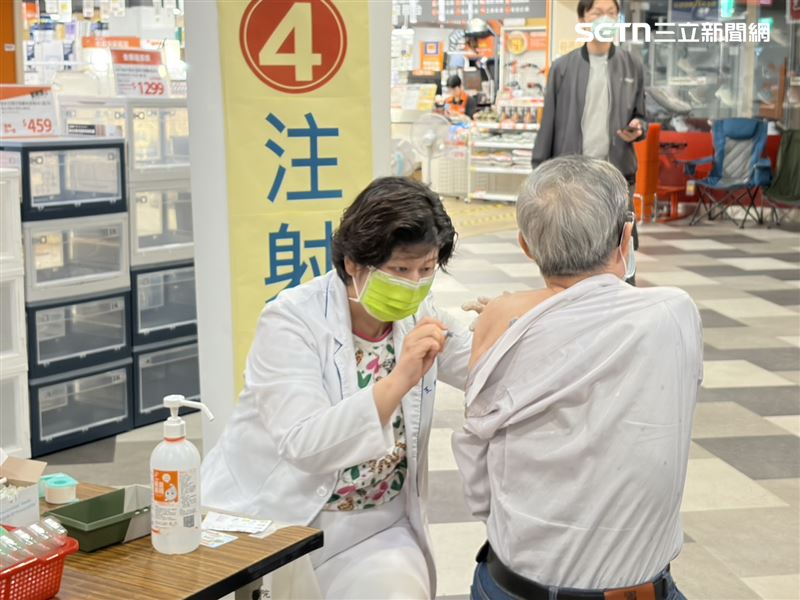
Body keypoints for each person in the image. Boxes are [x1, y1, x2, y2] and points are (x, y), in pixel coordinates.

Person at [202, 177, 472, 599]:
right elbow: (306, 443)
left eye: (427, 269)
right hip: (279, 520)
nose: (414, 284)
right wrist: (399, 379)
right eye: (400, 270)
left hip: (376, 525)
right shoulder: (292, 321)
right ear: (353, 263)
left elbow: (480, 366)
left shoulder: (421, 312)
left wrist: (516, 321)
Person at [452, 156, 702, 600]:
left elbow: (478, 478)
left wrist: (519, 309)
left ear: (526, 246)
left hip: (519, 583)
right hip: (646, 587)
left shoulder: (501, 321)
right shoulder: (673, 311)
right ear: (627, 237)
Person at [532, 0, 647, 283]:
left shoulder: (632, 64)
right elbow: (549, 124)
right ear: (583, 20)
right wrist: (539, 171)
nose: (605, 19)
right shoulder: (562, 68)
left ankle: (621, 308)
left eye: (611, 13)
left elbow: (640, 114)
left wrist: (637, 128)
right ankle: (574, 307)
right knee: (573, 248)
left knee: (621, 248)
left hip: (617, 173)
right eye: (597, 13)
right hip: (573, 177)